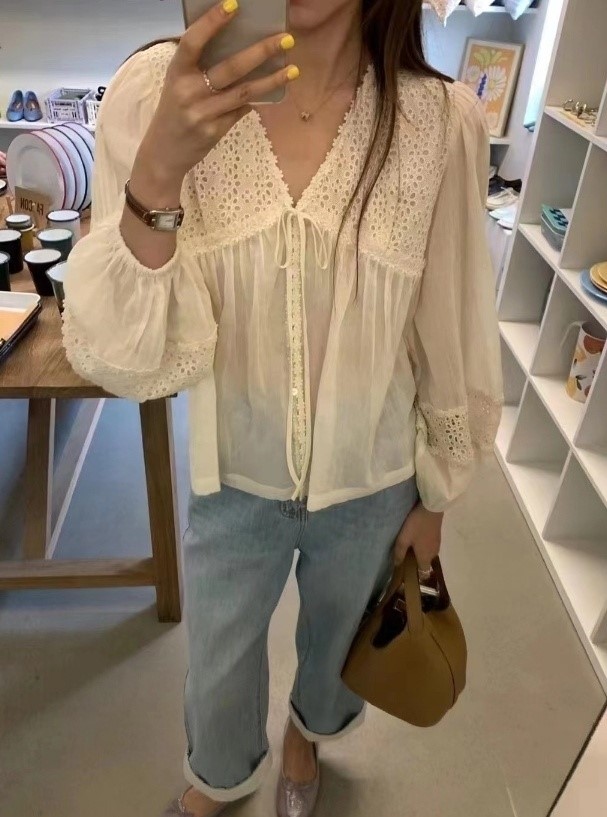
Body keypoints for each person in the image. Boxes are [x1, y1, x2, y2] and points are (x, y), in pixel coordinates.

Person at [63, 0, 503, 814]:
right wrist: (158, 171)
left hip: (374, 478)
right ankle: (218, 776)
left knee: (338, 642)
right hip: (233, 473)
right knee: (218, 661)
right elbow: (127, 359)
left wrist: (437, 495)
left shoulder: (436, 122)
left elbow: (446, 321)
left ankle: (308, 735)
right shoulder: (153, 95)